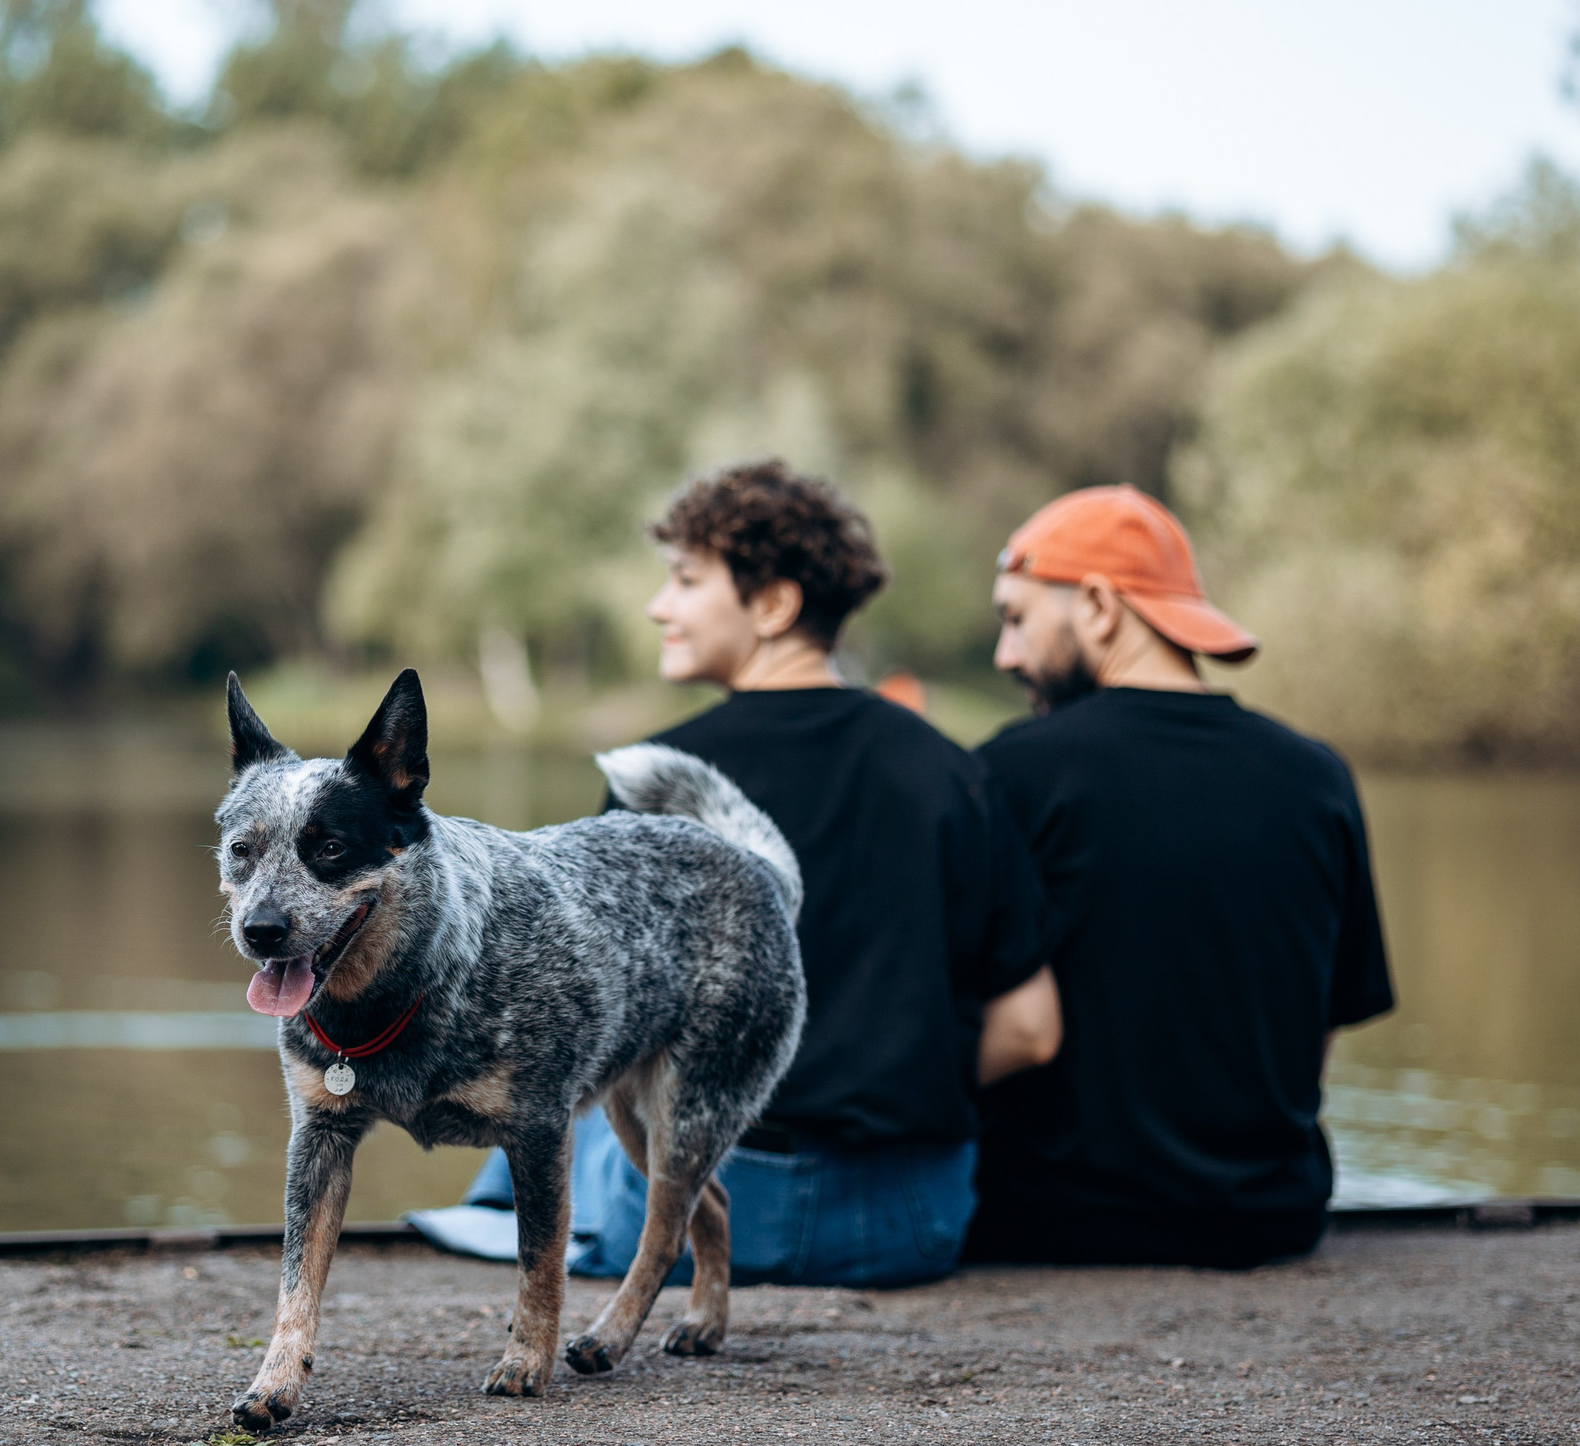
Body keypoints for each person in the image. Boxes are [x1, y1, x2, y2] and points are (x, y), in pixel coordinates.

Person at [454, 459, 1061, 1287]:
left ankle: (485, 1214)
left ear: (773, 604)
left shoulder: (658, 776)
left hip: (677, 1208)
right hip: (903, 1222)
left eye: (685, 579)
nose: (658, 604)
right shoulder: (954, 771)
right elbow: (1030, 1030)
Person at [969, 485, 1395, 1269]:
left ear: (1098, 606)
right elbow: (1321, 1026)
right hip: (1271, 1219)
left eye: (1017, 617)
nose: (1006, 654)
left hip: (1048, 1226)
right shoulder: (1317, 776)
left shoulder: (1010, 772)